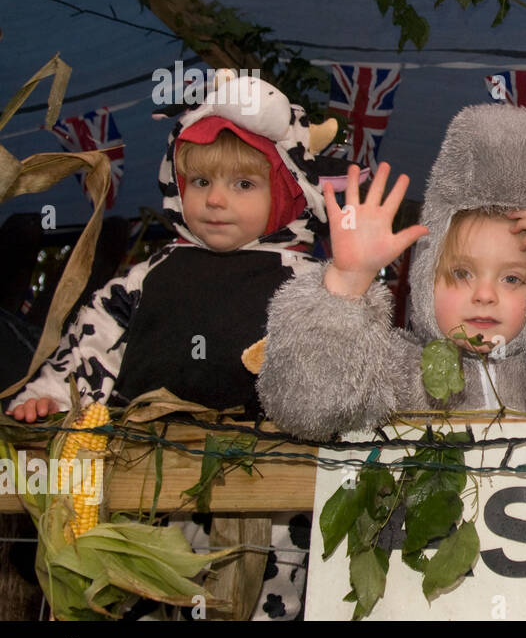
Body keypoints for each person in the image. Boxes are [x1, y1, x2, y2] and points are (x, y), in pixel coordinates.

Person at [257, 103, 526, 441]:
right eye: (461, 274)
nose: (485, 295)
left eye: (512, 279)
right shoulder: (402, 369)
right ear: (425, 279)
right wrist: (346, 284)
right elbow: (307, 407)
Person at [5, 72, 330, 422]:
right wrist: (49, 396)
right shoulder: (146, 278)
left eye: (244, 184)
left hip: (264, 462)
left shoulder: (309, 286)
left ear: (285, 195)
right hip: (135, 458)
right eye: (201, 181)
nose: (215, 199)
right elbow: (90, 345)